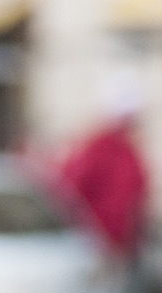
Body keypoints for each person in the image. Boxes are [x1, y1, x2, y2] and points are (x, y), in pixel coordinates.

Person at [56, 87, 151, 258]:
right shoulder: (96, 148)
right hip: (97, 244)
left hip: (122, 244)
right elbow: (70, 190)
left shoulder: (128, 151)